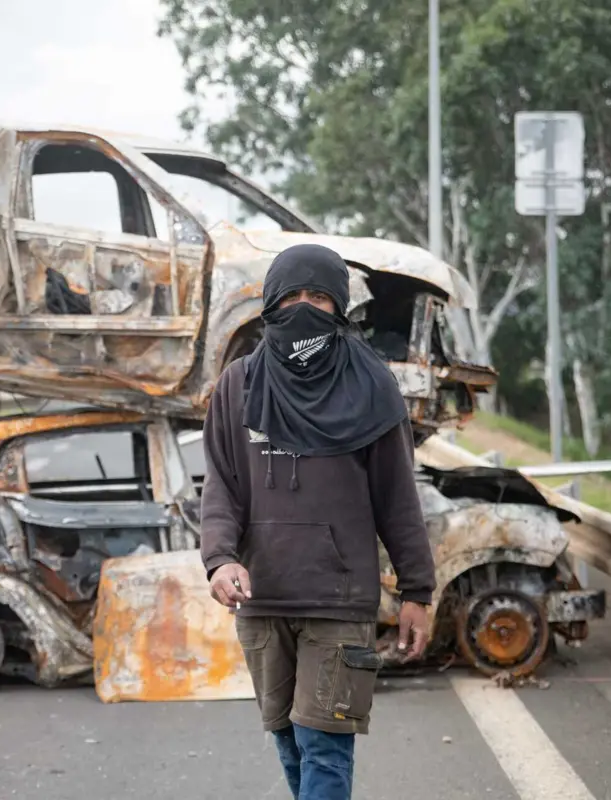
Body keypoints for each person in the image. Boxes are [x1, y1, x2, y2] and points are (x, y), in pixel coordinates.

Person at [200, 243, 437, 799]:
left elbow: (398, 500)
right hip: (263, 600)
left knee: (324, 748)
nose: (305, 308)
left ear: (341, 308)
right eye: (293, 296)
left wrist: (416, 593)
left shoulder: (372, 387)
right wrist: (220, 558)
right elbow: (222, 485)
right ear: (271, 304)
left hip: (339, 600)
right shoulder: (239, 385)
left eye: (320, 296)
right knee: (289, 741)